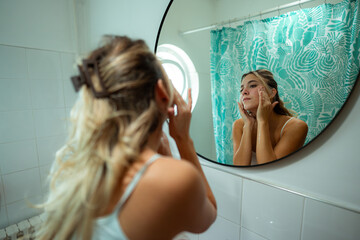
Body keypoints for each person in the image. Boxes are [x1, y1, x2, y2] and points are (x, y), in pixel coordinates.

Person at [36, 36, 217, 240]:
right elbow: (208, 215)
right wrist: (183, 138)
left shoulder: (70, 162)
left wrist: (163, 152)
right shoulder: (175, 178)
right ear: (162, 94)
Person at [232, 69, 308, 166]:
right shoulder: (239, 125)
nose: (244, 92)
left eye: (252, 85)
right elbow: (239, 167)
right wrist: (248, 125)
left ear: (272, 93)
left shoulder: (296, 127)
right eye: (241, 89)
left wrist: (262, 121)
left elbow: (268, 168)